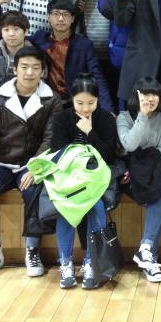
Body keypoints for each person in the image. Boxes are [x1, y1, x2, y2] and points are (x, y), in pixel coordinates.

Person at [0, 46, 62, 279]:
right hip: (0, 162)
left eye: (35, 68)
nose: (29, 73)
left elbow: (51, 138)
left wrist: (36, 169)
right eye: (24, 67)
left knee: (35, 190)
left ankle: (32, 250)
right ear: (15, 69)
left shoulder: (52, 100)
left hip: (31, 163)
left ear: (42, 71)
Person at [48, 73, 118, 289]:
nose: (86, 108)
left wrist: (90, 133)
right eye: (80, 103)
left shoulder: (106, 119)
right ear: (72, 99)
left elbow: (109, 155)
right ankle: (66, 263)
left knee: (96, 207)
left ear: (98, 100)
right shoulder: (62, 119)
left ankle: (91, 263)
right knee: (66, 208)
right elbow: (58, 152)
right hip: (69, 178)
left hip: (96, 178)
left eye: (91, 103)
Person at [116, 77, 161, 283]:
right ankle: (149, 256)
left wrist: (146, 169)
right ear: (136, 96)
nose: (150, 98)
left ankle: (147, 252)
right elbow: (129, 145)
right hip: (128, 175)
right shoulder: (123, 117)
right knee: (158, 194)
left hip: (151, 172)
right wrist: (142, 115)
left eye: (154, 94)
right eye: (145, 94)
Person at [30, 0, 113, 113]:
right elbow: (15, 40)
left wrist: (108, 110)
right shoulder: (39, 38)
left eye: (66, 14)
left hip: (73, 103)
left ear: (73, 18)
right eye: (56, 14)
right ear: (48, 17)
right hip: (46, 102)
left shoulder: (84, 45)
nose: (61, 19)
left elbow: (97, 76)